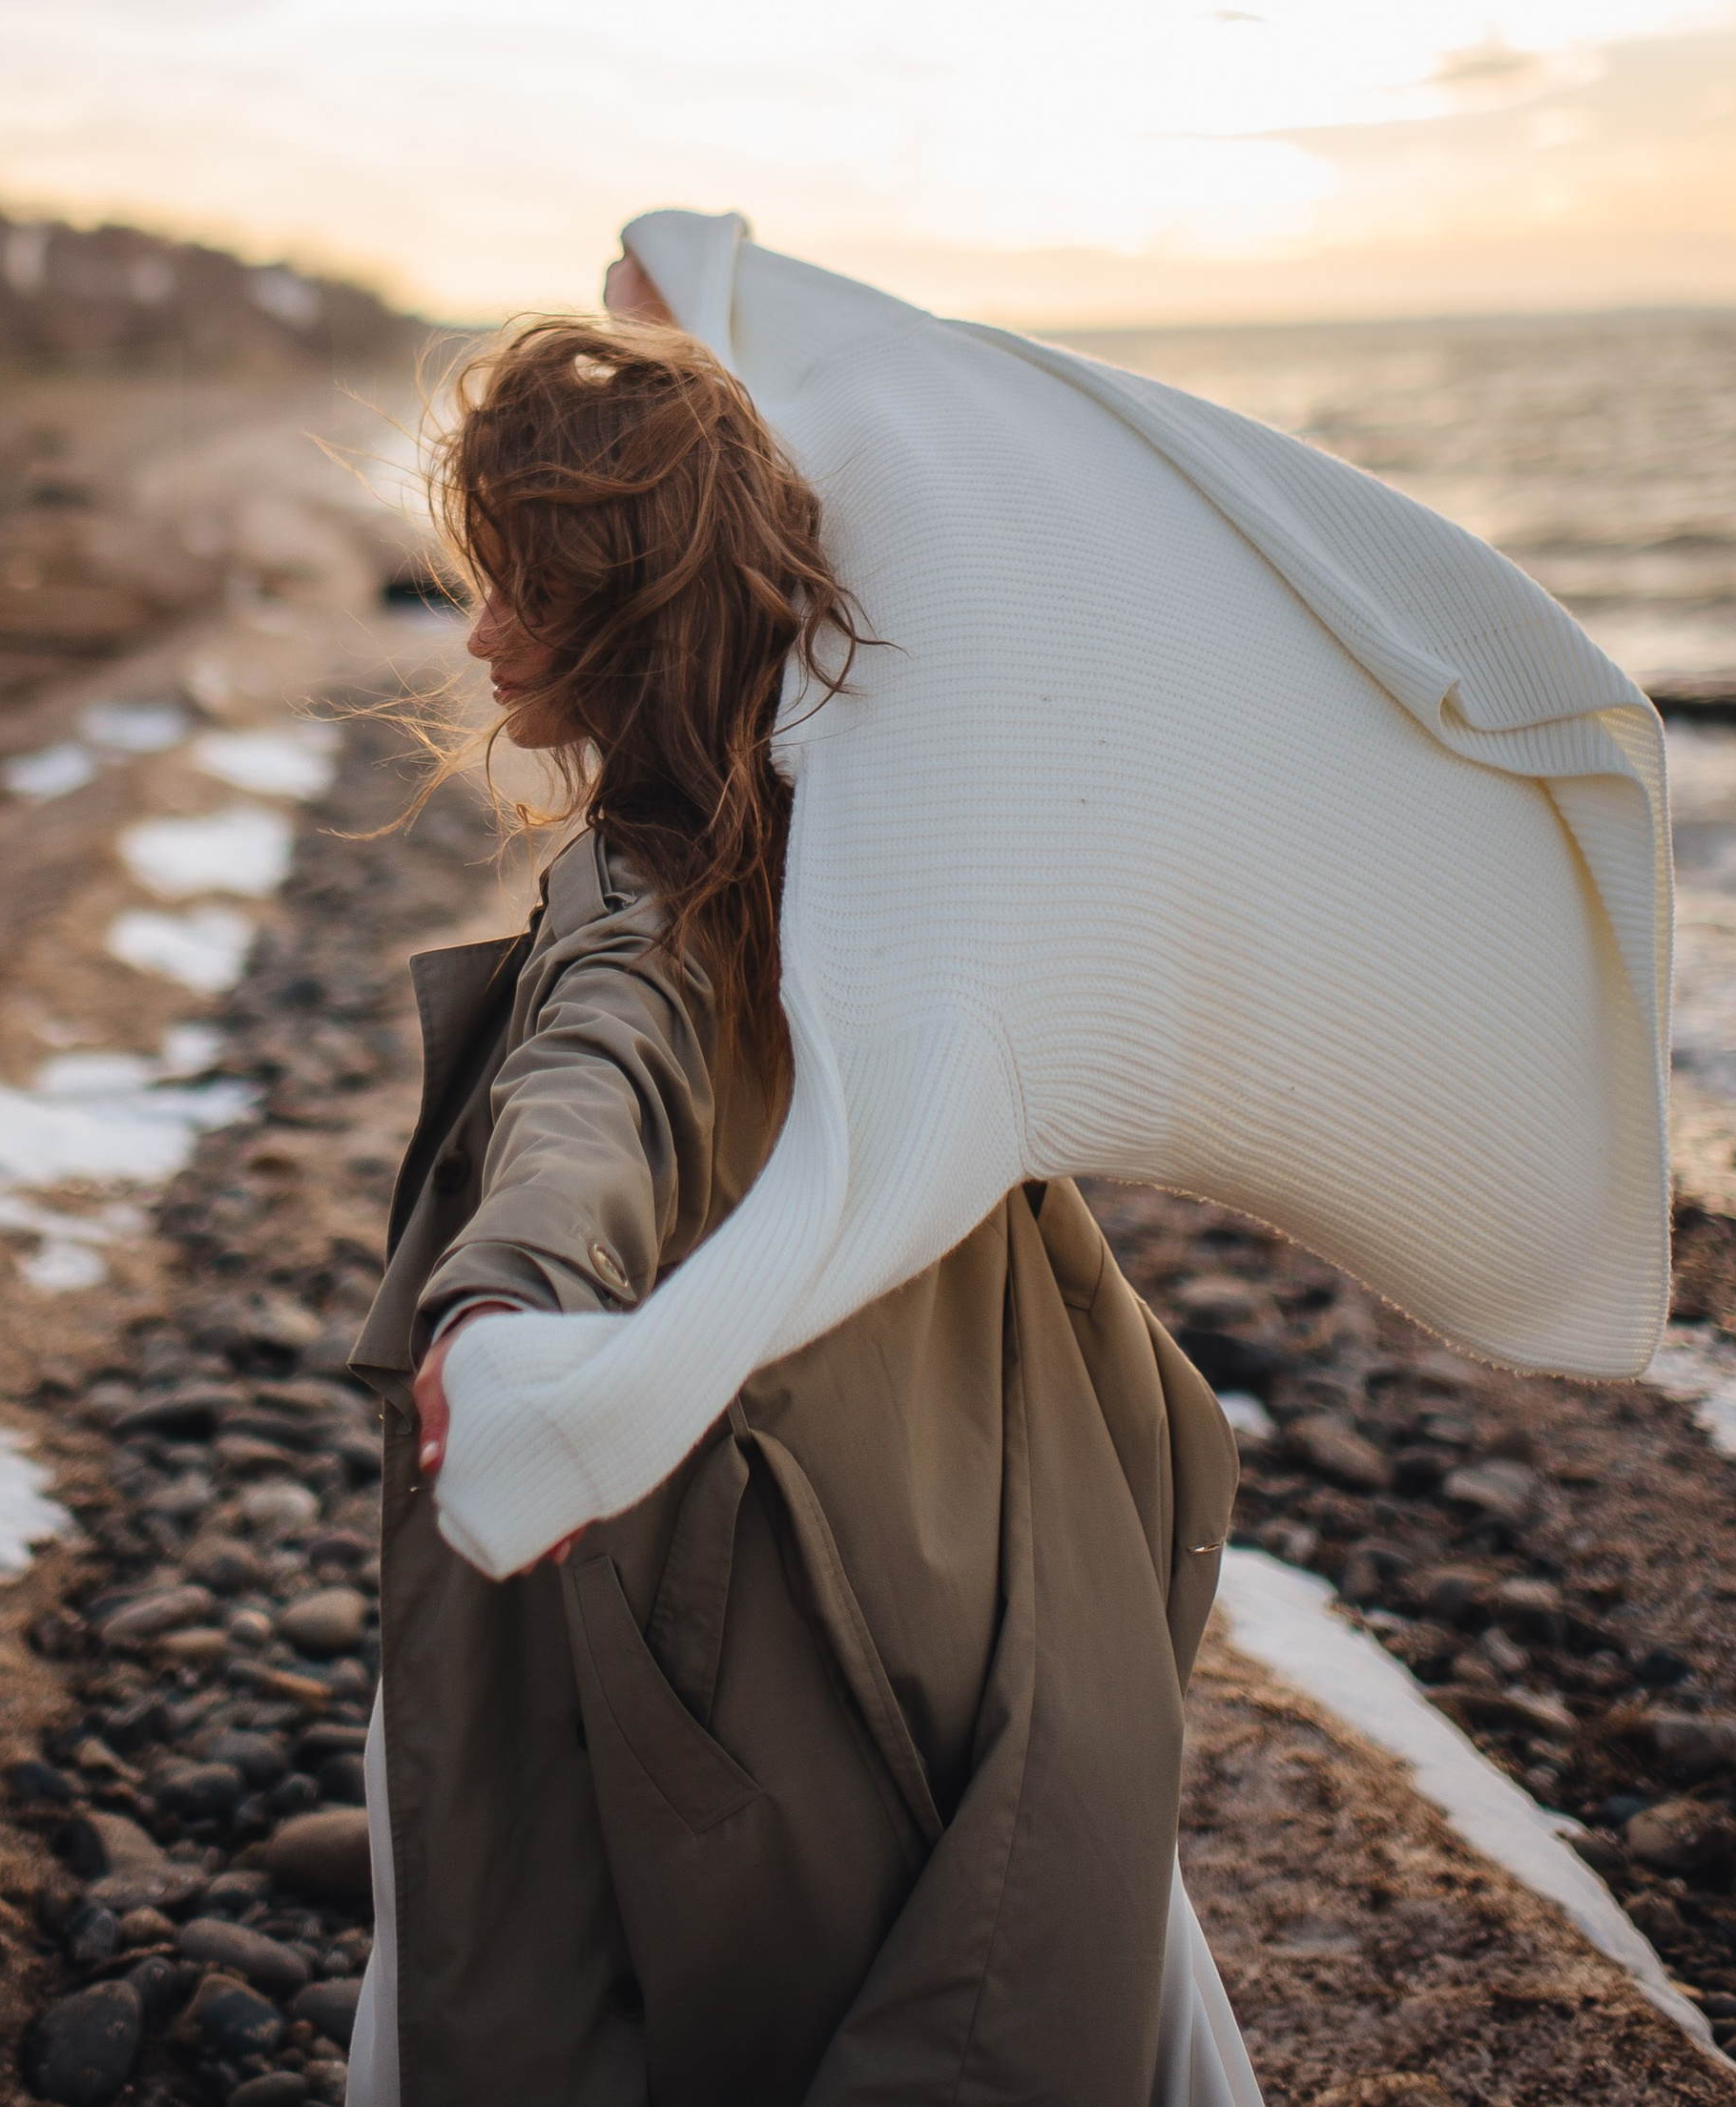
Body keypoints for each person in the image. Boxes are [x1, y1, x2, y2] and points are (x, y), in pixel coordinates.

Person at [344, 252, 1263, 2106]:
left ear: (616, 616)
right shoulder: (897, 857)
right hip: (974, 1502)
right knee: (1037, 1947)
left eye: (514, 583)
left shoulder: (657, 899)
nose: (472, 636)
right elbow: (592, 1099)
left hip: (779, 1558)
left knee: (564, 1942)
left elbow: (592, 1072)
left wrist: (511, 1291)